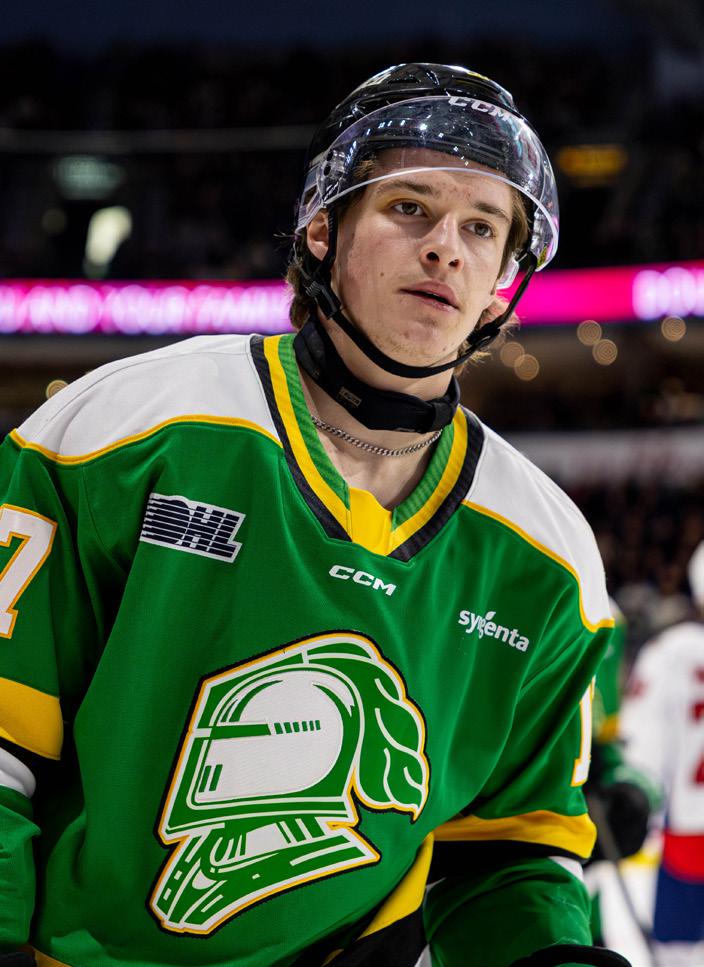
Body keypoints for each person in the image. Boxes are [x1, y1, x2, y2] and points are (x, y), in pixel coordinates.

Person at [0, 63, 629, 967]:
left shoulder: (549, 556)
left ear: (503, 279)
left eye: (482, 227)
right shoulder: (121, 431)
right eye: (409, 208)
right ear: (324, 228)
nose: (446, 248)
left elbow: (507, 857)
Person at [619, 540, 704, 966]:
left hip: (687, 837)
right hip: (686, 839)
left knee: (677, 954)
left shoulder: (670, 650)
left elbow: (639, 748)